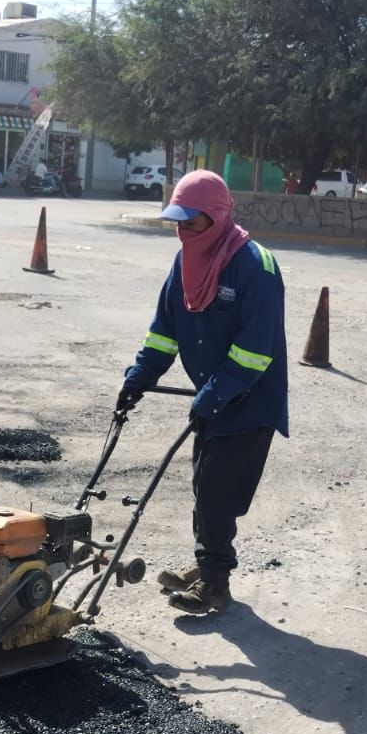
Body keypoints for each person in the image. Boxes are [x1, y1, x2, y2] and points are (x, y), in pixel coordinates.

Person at [116, 170, 287, 615]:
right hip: (212, 397)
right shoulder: (184, 263)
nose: (182, 230)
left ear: (216, 218)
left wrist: (214, 394)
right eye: (177, 221)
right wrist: (139, 377)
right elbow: (164, 333)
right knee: (202, 484)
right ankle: (205, 565)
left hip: (250, 400)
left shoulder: (256, 266)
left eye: (191, 222)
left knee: (216, 489)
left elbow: (255, 351)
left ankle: (215, 584)